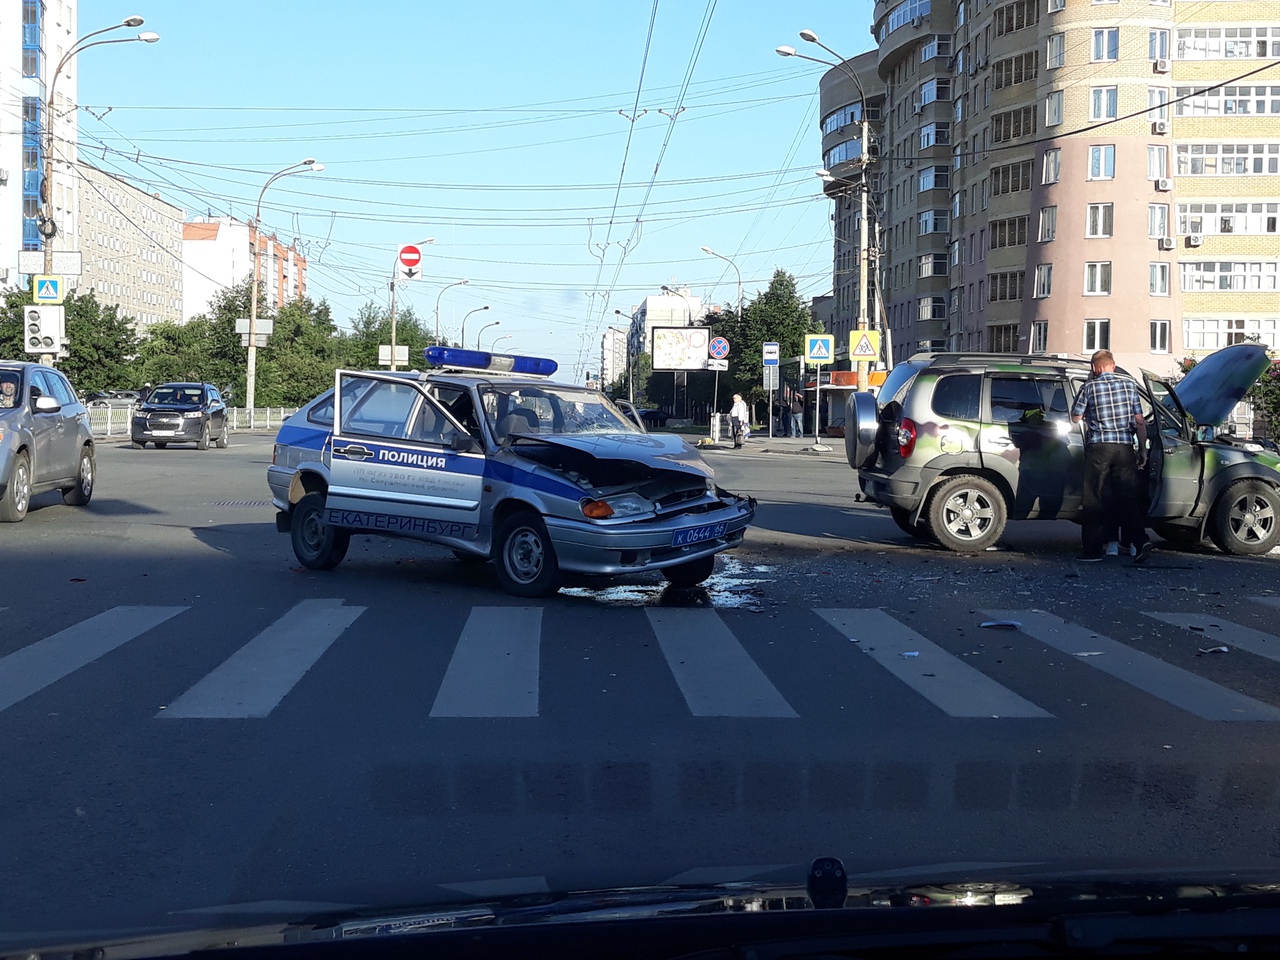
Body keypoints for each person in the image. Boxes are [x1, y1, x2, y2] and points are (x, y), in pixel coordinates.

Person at [1070, 349, 1153, 564]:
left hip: (1099, 447)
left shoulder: (1089, 387)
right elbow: (1140, 421)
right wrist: (1142, 450)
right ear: (1112, 365)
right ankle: (1141, 540)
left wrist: (1088, 412)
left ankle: (1093, 551)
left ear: (1095, 368)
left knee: (1094, 497)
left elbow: (1075, 417)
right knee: (1128, 498)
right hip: (1124, 447)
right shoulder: (1129, 385)